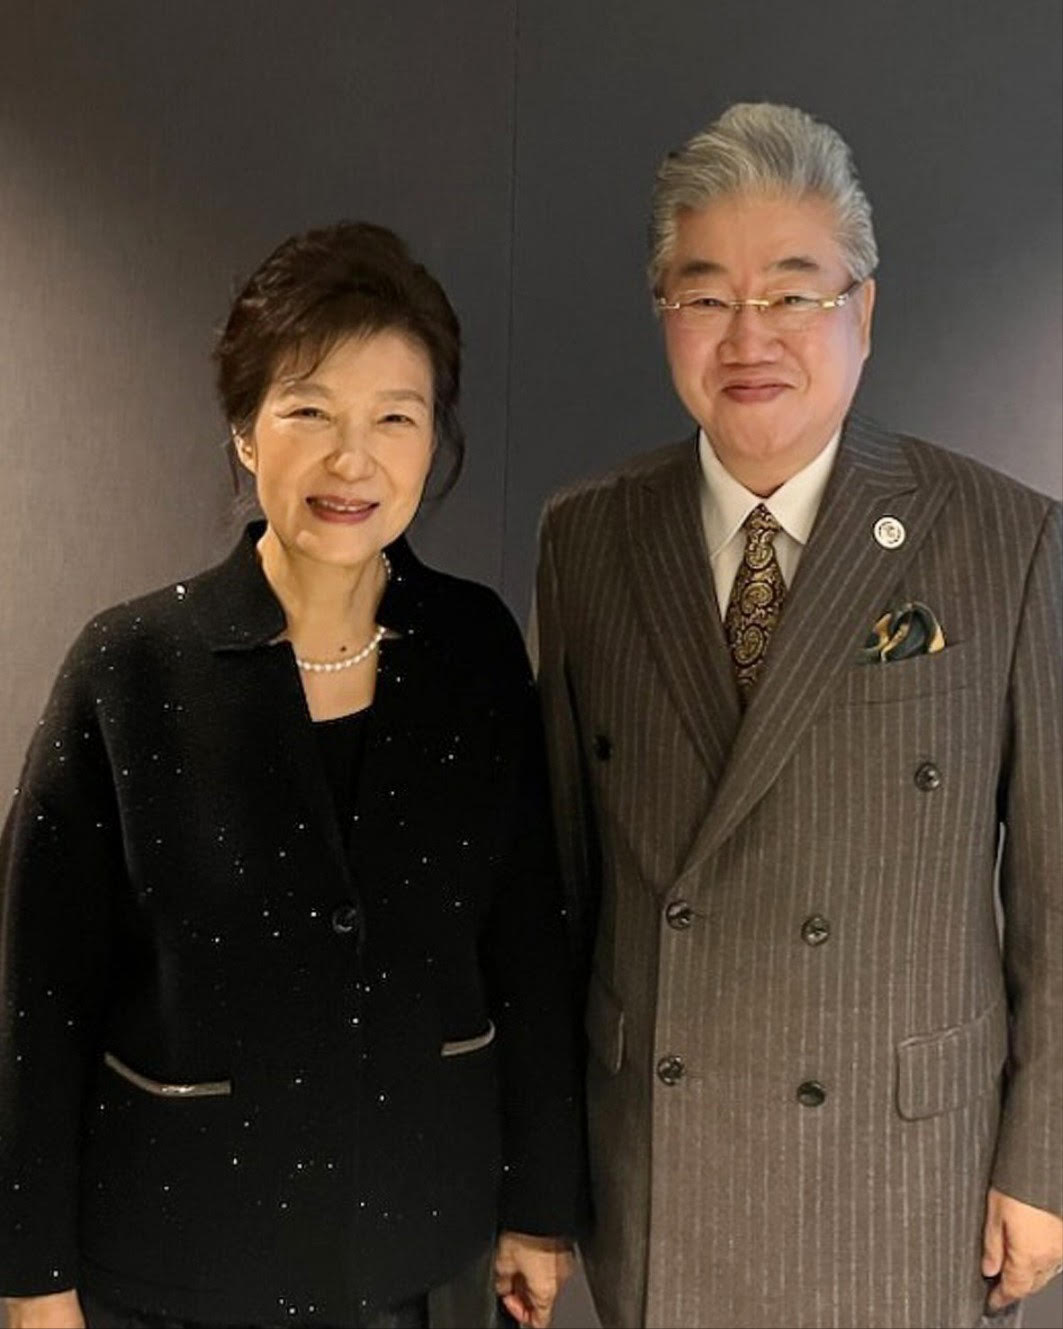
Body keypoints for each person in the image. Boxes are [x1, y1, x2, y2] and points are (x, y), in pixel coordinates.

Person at [531, 103, 1062, 1329]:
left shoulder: (1004, 537)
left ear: (862, 311)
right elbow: (560, 888)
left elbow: (1054, 883)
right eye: (705, 294)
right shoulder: (588, 537)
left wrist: (1042, 1158)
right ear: (662, 311)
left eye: (792, 292)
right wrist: (541, 1184)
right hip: (659, 1163)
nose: (748, 335)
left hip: (902, 1173)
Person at [0, 222, 583, 1329]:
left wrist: (540, 1209)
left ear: (434, 438)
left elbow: (526, 945)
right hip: (174, 1261)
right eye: (309, 411)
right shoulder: (131, 667)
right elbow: (35, 993)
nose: (351, 460)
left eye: (394, 418)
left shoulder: (472, 648)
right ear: (244, 429)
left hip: (422, 1246)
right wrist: (32, 1276)